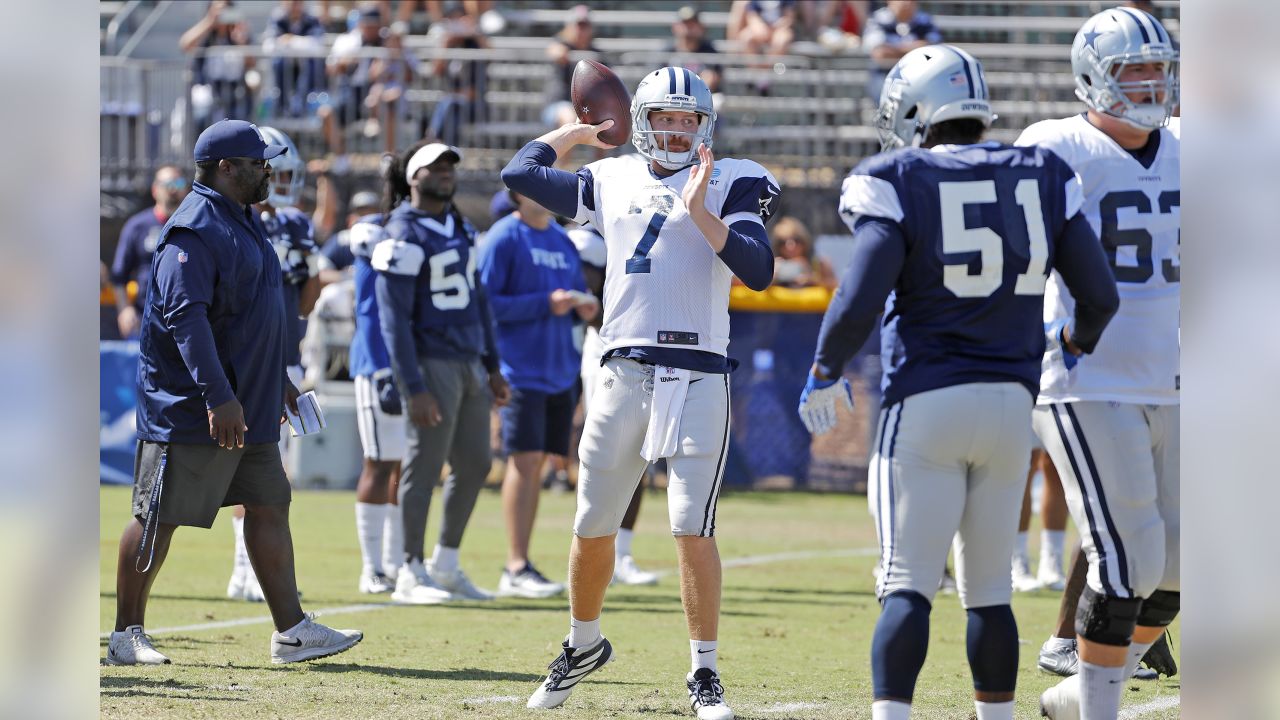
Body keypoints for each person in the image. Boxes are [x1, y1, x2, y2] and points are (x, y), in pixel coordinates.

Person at [797, 46, 1120, 720]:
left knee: (907, 584)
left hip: (927, 397)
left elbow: (860, 297)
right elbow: (1099, 296)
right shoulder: (1040, 172)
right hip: (1011, 405)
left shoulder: (897, 176)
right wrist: (1072, 342)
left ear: (917, 109)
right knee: (989, 592)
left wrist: (825, 368)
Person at [504, 66, 779, 720]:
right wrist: (573, 132)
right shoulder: (609, 175)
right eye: (667, 118)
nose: (679, 131)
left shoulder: (734, 175)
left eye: (690, 120)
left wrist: (701, 214)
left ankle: (704, 671)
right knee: (593, 523)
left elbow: (759, 269)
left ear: (705, 124)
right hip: (622, 366)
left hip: (700, 371)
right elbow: (521, 173)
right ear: (643, 120)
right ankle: (582, 644)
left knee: (691, 526)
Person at [106, 119, 362, 666]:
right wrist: (217, 397)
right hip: (196, 407)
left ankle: (291, 631)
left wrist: (281, 383)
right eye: (257, 163)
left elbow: (254, 315)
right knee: (157, 515)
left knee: (270, 504)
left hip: (251, 400)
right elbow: (186, 320)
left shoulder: (240, 218)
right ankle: (126, 633)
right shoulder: (194, 227)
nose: (267, 172)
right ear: (226, 167)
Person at [1027, 11, 1180, 717]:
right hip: (1091, 378)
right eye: (1132, 70)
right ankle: (1097, 707)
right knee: (1130, 563)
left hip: (1181, 378)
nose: (1149, 83)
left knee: (1186, 566)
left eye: (1157, 68)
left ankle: (1076, 694)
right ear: (1093, 76)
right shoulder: (1056, 147)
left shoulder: (1191, 145)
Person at [375, 139, 510, 604]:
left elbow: (480, 299)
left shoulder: (458, 225)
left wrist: (492, 364)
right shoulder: (401, 231)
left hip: (469, 358)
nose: (446, 172)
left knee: (475, 463)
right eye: (435, 167)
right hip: (431, 361)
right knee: (424, 464)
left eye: (450, 165)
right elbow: (392, 319)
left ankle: (446, 562)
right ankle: (409, 568)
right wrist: (412, 385)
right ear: (413, 177)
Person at [479, 190, 598, 597]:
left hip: (559, 369)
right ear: (516, 193)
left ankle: (523, 564)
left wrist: (583, 307)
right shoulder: (503, 237)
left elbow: (576, 293)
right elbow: (486, 304)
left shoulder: (561, 240)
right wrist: (544, 303)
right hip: (519, 369)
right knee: (524, 462)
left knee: (542, 466)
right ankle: (515, 566)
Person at [225, 126, 320, 603]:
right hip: (243, 360)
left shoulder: (296, 225)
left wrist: (314, 271)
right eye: (268, 166)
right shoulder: (227, 219)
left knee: (267, 464)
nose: (275, 177)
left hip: (285, 359)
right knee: (245, 463)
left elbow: (305, 302)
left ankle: (248, 570)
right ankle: (244, 569)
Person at [567, 223, 660, 587]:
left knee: (635, 454)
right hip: (602, 354)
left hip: (626, 352)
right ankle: (598, 552)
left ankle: (621, 553)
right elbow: (593, 301)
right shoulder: (582, 240)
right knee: (605, 456)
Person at [111, 166, 189, 339]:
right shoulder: (137, 226)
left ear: (186, 189)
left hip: (188, 320)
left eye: (178, 182)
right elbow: (118, 276)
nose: (173, 188)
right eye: (167, 183)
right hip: (147, 320)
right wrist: (124, 309)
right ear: (155, 189)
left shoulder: (196, 226)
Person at [180, 1, 255, 125]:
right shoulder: (206, 35)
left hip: (235, 93)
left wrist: (241, 42)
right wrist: (209, 21)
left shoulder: (238, 35)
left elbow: (251, 62)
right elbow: (185, 44)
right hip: (209, 91)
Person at [862, 1, 942, 104]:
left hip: (920, 76)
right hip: (886, 76)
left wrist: (894, 49)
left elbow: (934, 50)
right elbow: (880, 54)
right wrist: (916, 48)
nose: (906, 3)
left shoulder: (925, 20)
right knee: (886, 100)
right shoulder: (878, 19)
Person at [542, 5, 599, 128]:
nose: (581, 30)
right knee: (569, 120)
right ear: (569, 27)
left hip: (587, 108)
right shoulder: (561, 44)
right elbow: (553, 50)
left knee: (604, 122)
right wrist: (558, 52)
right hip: (558, 106)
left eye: (585, 25)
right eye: (578, 25)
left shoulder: (596, 53)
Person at [770, 216, 837, 290]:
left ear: (804, 241)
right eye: (783, 242)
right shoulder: (773, 265)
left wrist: (812, 279)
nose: (790, 246)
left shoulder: (820, 263)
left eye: (796, 240)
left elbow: (836, 288)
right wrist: (772, 276)